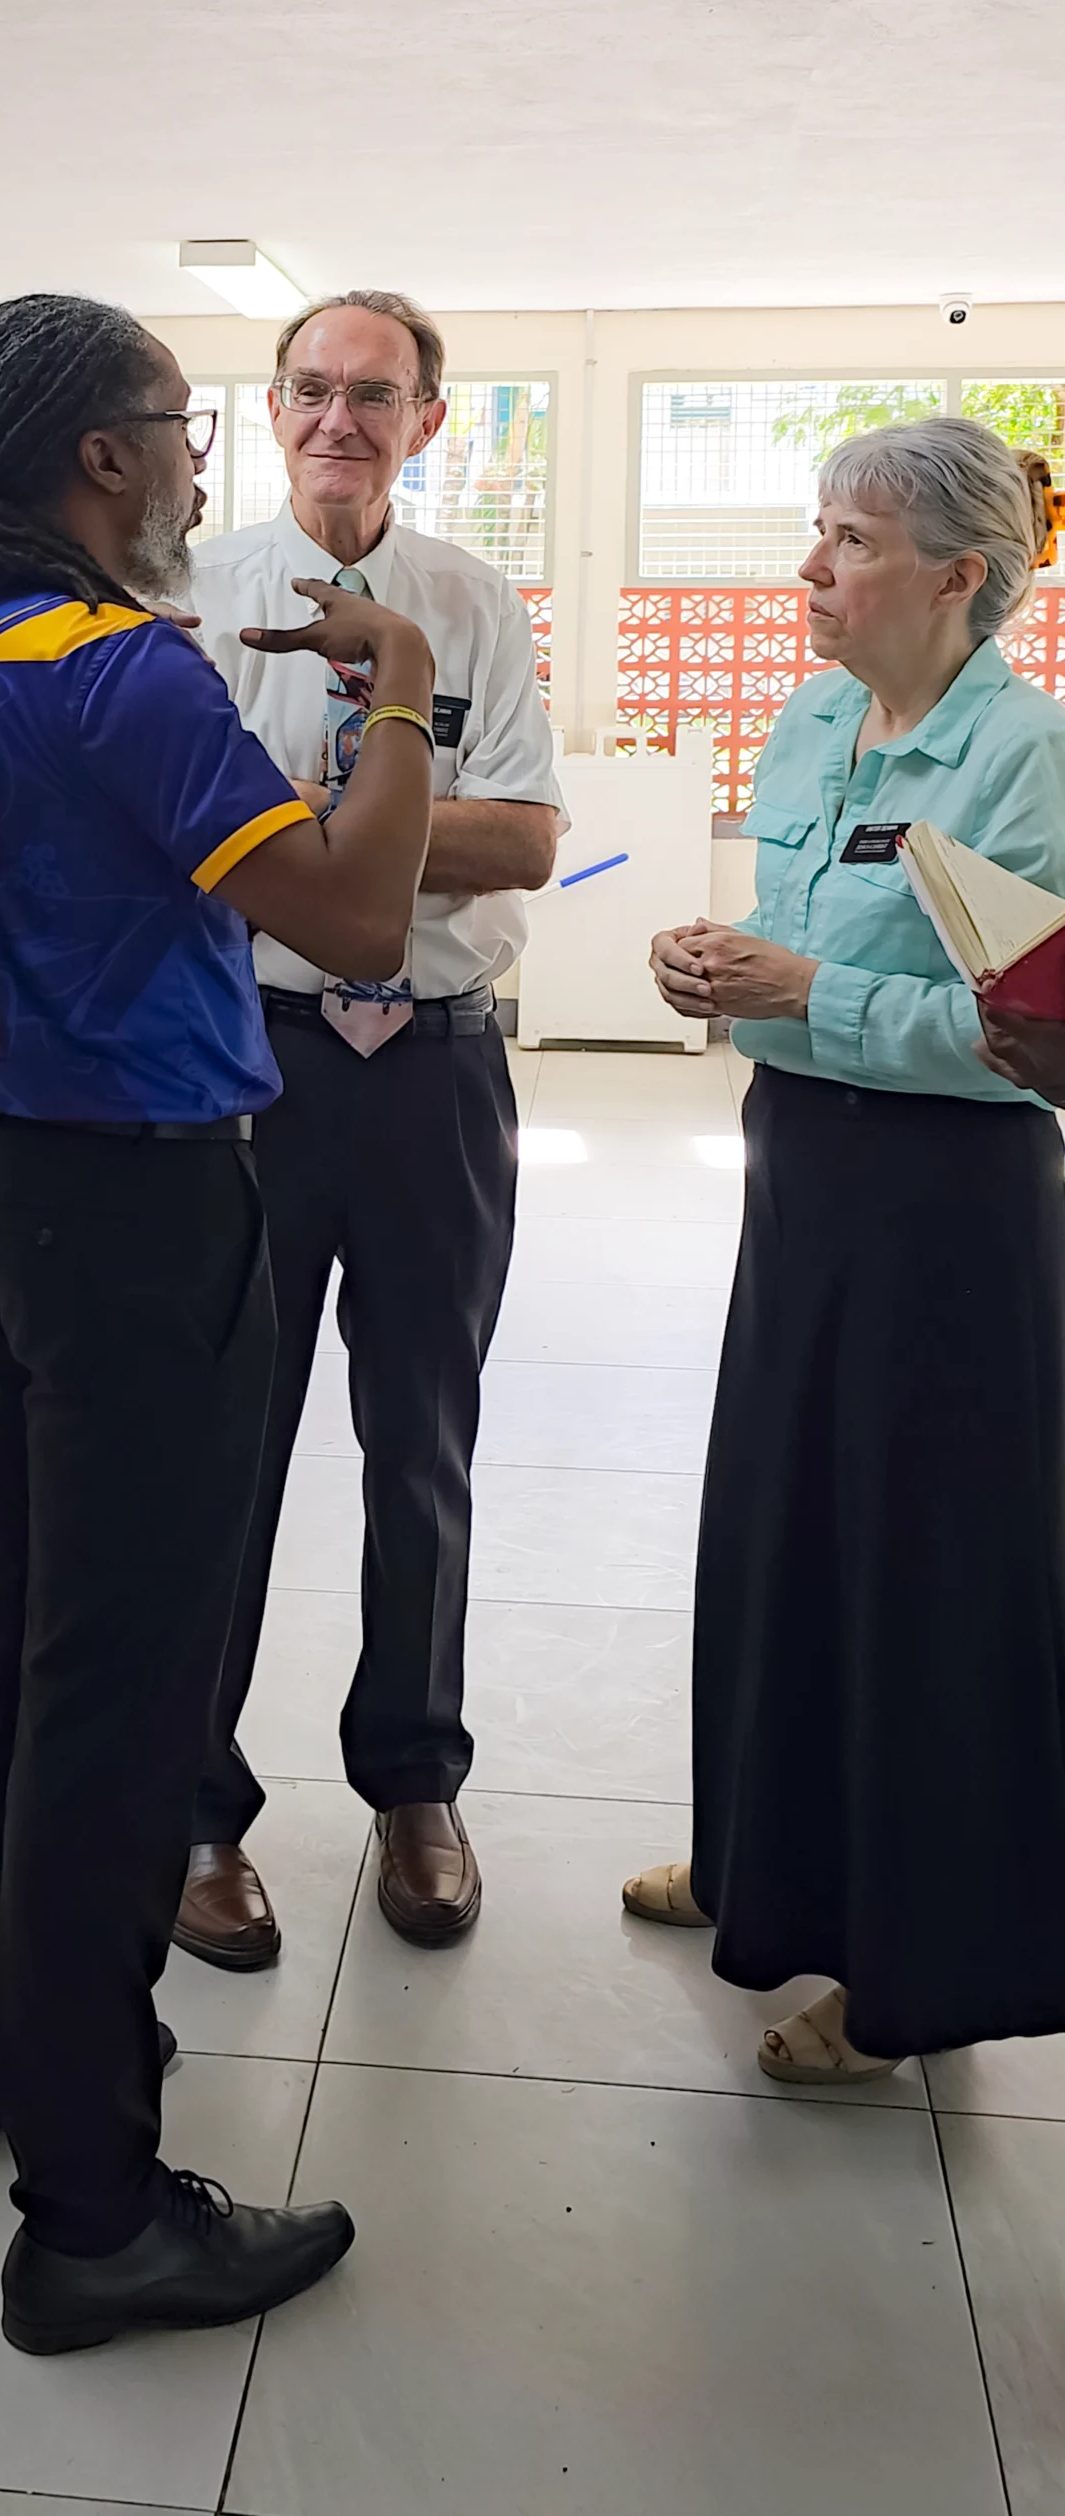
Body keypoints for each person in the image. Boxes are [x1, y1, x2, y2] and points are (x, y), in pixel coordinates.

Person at [0, 292, 437, 2349]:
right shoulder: (121, 674)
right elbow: (353, 918)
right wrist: (404, 698)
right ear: (99, 459)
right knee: (120, 1685)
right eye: (182, 427)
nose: (204, 464)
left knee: (10, 1625)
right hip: (147, 1211)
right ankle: (94, 2203)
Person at [623, 415, 1065, 2082]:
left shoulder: (1026, 759)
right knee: (781, 1532)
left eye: (851, 542)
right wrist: (720, 961)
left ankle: (909, 1980)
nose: (809, 569)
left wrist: (816, 994)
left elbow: (1022, 1028)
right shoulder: (815, 720)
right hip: (798, 1167)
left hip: (948, 1204)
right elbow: (802, 936)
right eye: (815, 532)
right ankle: (766, 1870)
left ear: (958, 578)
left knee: (921, 1582)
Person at [175, 292, 562, 1970]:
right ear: (270, 412)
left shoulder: (471, 605)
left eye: (376, 395)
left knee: (422, 1443)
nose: (342, 417)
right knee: (223, 1454)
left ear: (428, 422)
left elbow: (531, 841)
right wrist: (391, 832)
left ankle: (414, 1779)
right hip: (251, 1071)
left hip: (438, 1069)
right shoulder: (189, 602)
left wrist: (326, 842)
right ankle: (195, 1809)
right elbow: (188, 844)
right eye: (313, 390)